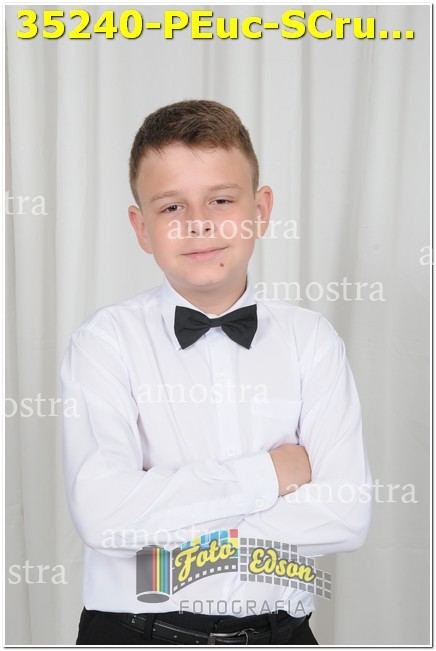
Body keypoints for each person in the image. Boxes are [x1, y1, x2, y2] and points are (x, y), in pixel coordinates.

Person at [60, 99, 373, 645]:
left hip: (282, 635)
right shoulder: (104, 343)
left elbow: (347, 516)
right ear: (141, 227)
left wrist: (163, 525)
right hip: (135, 633)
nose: (199, 223)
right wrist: (269, 475)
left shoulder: (312, 341)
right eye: (171, 207)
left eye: (222, 200)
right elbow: (104, 518)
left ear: (261, 209)